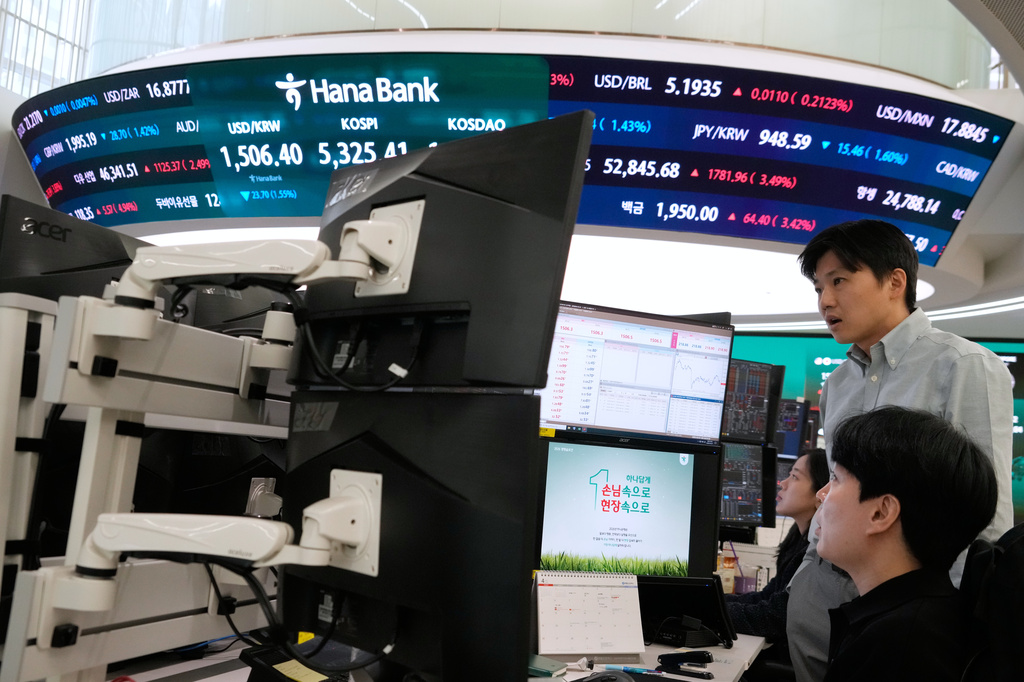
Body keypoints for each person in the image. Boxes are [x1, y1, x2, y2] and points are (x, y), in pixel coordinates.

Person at [786, 218, 1013, 682]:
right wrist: (806, 576)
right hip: (822, 596)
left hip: (910, 609)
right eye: (818, 287)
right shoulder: (838, 382)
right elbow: (837, 489)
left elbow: (985, 511)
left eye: (839, 281)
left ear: (895, 282)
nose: (825, 300)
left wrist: (957, 621)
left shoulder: (964, 365)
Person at [816, 406, 998, 682]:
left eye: (836, 479)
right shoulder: (917, 621)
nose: (821, 494)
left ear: (881, 513)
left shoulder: (899, 646)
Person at [726, 449, 829, 653]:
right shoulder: (797, 540)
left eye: (795, 477)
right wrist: (710, 602)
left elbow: (774, 617)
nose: (783, 483)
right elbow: (765, 597)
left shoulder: (816, 552)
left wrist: (709, 611)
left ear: (820, 493)